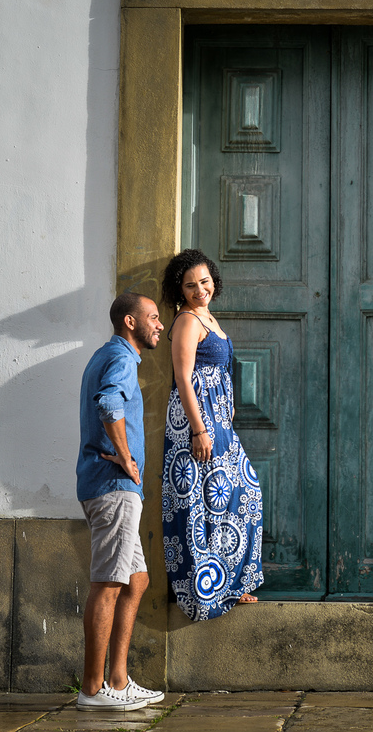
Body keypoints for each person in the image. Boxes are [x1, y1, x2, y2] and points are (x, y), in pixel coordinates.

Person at [74, 293, 166, 711]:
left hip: (110, 487)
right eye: (153, 317)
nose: (160, 325)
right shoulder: (121, 358)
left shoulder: (105, 355)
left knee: (136, 580)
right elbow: (109, 403)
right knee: (108, 584)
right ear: (130, 321)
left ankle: (118, 680)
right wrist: (127, 458)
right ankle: (92, 689)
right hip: (113, 486)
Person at [160, 248, 264, 620]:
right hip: (197, 422)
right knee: (202, 504)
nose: (199, 289)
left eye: (204, 281)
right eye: (190, 285)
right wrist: (199, 429)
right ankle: (205, 591)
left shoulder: (207, 316)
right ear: (180, 289)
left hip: (218, 421)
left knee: (239, 494)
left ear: (213, 281)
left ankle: (229, 583)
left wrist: (226, 408)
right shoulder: (188, 321)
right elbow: (183, 378)